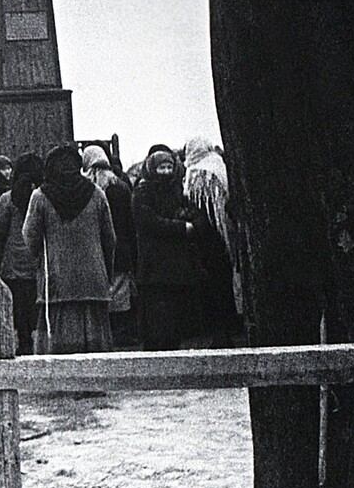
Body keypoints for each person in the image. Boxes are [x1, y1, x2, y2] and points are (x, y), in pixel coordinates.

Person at [23, 145, 117, 354]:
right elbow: (110, 239)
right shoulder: (97, 194)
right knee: (95, 350)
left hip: (57, 282)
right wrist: (106, 274)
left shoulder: (40, 196)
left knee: (58, 349)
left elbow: (29, 238)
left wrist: (41, 259)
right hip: (93, 282)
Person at [133, 148, 202, 351]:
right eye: (161, 167)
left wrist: (187, 220)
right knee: (156, 318)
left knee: (174, 318)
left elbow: (193, 214)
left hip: (175, 265)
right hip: (154, 265)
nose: (165, 171)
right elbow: (148, 221)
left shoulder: (178, 190)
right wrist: (180, 227)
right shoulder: (143, 191)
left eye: (169, 167)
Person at [182, 135, 241, 346]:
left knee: (213, 288)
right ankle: (227, 331)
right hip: (224, 235)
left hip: (207, 238)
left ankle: (219, 335)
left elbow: (201, 208)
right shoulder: (219, 166)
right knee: (224, 285)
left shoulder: (198, 172)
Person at [82, 145, 139, 347]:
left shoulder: (87, 189)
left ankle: (106, 332)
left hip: (96, 249)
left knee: (103, 292)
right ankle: (123, 332)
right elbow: (130, 223)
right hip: (121, 249)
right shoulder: (121, 186)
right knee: (121, 293)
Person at [0, 152, 43, 355]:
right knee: (36, 306)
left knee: (19, 307)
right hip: (38, 261)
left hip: (14, 263)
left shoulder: (9, 198)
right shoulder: (43, 196)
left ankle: (24, 342)